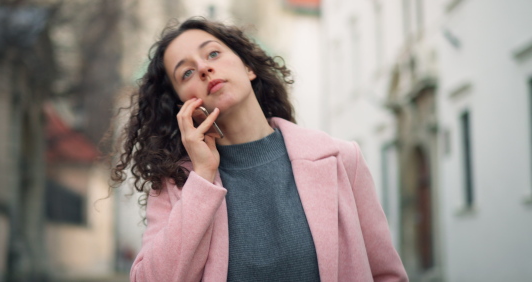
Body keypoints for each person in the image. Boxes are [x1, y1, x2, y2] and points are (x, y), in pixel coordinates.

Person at [112, 18, 408, 282]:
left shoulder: (341, 160)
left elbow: (386, 274)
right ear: (181, 105)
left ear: (248, 67)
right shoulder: (175, 186)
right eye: (186, 73)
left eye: (213, 53)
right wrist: (202, 176)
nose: (203, 68)